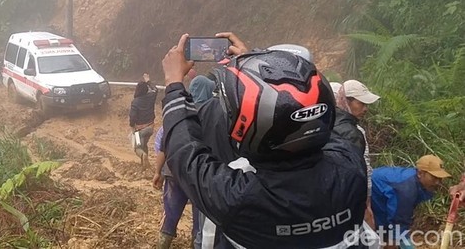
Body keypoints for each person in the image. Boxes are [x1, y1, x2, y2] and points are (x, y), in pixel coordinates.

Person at [160, 32, 370, 248]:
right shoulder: (352, 169)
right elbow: (322, 120)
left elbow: (184, 150)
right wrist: (251, 61)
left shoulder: (238, 199)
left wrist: (174, 82)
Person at [152, 76, 214, 249]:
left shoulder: (179, 112)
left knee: (171, 212)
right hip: (199, 176)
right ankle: (195, 244)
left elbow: (164, 145)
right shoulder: (214, 114)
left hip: (173, 171)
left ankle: (163, 244)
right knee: (199, 218)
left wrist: (158, 172)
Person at [371, 154, 453, 248]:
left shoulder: (418, 183)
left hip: (381, 205)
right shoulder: (406, 189)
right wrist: (393, 241)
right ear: (420, 173)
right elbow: (398, 218)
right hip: (367, 198)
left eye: (440, 178)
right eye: (434, 177)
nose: (438, 182)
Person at [334, 80, 380, 229]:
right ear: (346, 101)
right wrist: (366, 205)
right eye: (361, 103)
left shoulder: (322, 125)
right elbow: (363, 170)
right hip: (351, 200)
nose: (365, 109)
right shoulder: (354, 132)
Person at [129, 73, 158, 169]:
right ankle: (145, 164)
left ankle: (143, 156)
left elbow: (132, 117)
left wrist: (132, 126)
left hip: (138, 131)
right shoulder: (150, 97)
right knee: (144, 144)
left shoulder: (135, 102)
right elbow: (155, 89)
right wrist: (148, 81)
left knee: (137, 147)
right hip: (150, 128)